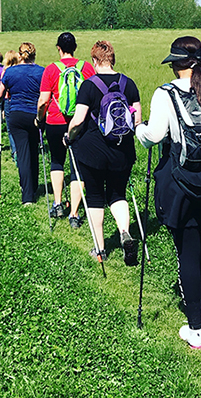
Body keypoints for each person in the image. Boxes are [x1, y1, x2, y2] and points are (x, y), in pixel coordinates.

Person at [136, 36, 201, 350]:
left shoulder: (164, 94)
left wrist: (139, 128)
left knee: (187, 249)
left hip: (179, 184)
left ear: (175, 64)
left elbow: (154, 135)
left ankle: (195, 328)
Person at [66, 40, 142, 265]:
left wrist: (69, 136)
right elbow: (137, 120)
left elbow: (78, 120)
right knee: (118, 195)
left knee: (95, 197)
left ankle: (100, 249)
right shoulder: (129, 84)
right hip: (122, 150)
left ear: (94, 60)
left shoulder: (88, 85)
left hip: (93, 151)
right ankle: (124, 232)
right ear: (113, 59)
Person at [38, 32, 95, 227]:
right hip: (79, 123)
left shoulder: (51, 69)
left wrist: (40, 119)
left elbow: (44, 100)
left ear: (58, 48)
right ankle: (74, 214)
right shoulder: (86, 68)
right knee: (77, 166)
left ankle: (57, 203)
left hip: (55, 121)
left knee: (57, 161)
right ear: (75, 48)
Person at [0, 43, 44, 205]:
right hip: (35, 115)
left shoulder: (10, 72)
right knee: (34, 150)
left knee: (23, 153)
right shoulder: (41, 71)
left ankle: (27, 195)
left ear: (19, 55)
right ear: (34, 55)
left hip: (17, 115)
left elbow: (0, 94)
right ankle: (34, 186)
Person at [0, 50, 20, 160]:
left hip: (8, 99)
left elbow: (2, 89)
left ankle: (15, 150)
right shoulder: (19, 70)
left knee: (10, 128)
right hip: (19, 99)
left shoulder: (5, 72)